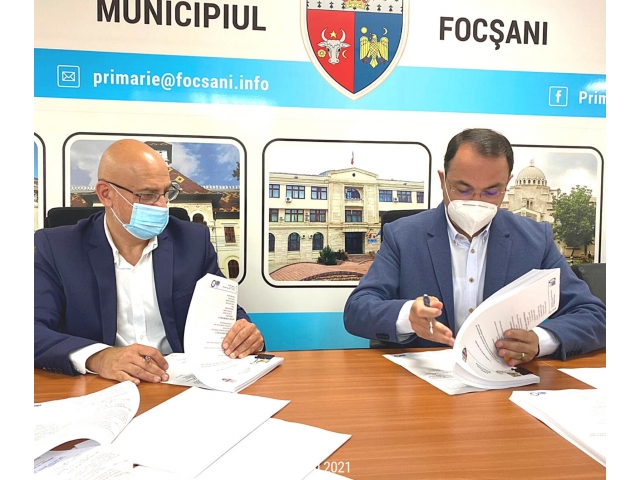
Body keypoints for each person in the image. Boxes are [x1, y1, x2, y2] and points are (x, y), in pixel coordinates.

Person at [343, 128, 605, 365]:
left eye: (491, 191)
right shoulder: (403, 235)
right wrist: (408, 317)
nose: (477, 201)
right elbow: (358, 309)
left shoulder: (535, 239)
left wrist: (541, 341)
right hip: (423, 384)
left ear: (507, 184)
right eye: (463, 189)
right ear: (443, 180)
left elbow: (593, 315)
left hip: (505, 378)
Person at [34, 139, 264, 384]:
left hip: (179, 382)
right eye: (148, 195)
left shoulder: (193, 242)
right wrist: (99, 357)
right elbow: (31, 330)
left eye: (167, 193)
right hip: (100, 384)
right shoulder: (58, 248)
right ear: (106, 194)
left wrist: (244, 334)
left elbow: (225, 312)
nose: (162, 205)